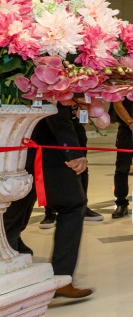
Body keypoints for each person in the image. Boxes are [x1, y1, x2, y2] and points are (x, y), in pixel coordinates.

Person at [4, 102, 93, 299]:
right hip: (47, 150)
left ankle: (9, 270)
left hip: (16, 144)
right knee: (72, 205)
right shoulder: (42, 71)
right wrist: (73, 150)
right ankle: (62, 277)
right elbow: (54, 111)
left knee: (16, 204)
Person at [111, 100, 133, 218]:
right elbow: (117, 104)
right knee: (122, 168)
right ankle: (121, 203)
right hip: (126, 129)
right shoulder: (122, 81)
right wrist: (130, 123)